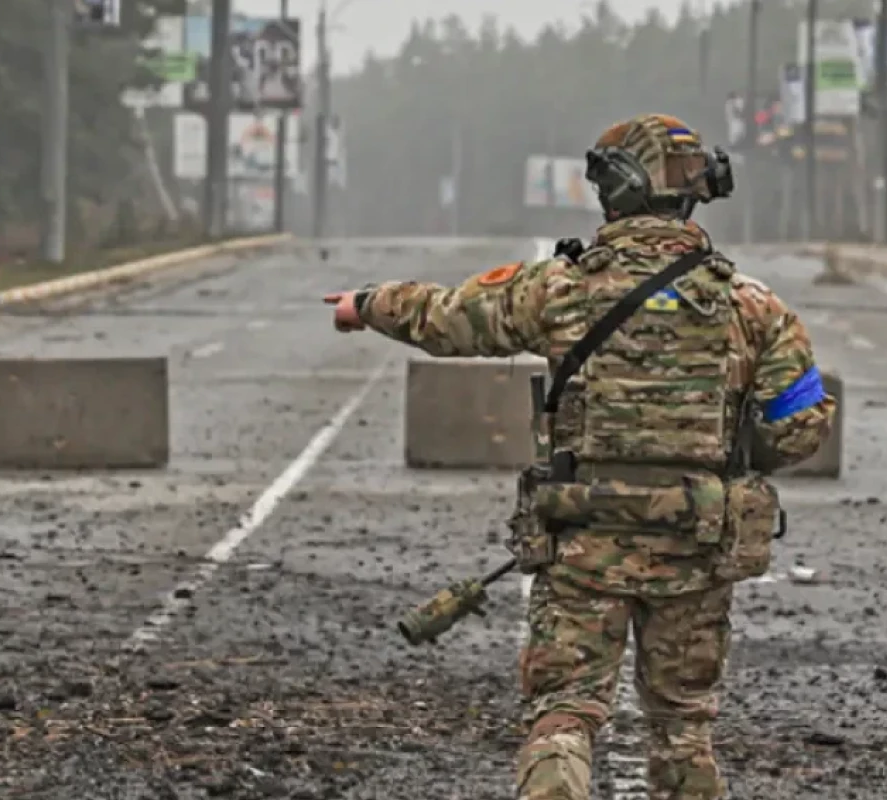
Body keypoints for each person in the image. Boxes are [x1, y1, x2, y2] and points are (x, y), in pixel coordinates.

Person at [323, 113, 836, 800]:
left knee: (563, 713)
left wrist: (365, 304)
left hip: (582, 541)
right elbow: (800, 428)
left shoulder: (559, 289)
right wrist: (729, 460)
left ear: (615, 189)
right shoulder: (754, 308)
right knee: (684, 725)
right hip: (697, 542)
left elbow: (448, 317)